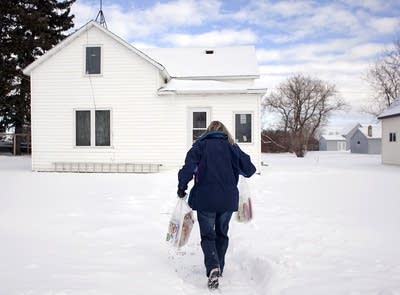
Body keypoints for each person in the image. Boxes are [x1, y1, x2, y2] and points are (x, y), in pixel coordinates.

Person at [177, 120, 256, 290]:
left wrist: (182, 187)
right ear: (224, 132)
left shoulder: (200, 146)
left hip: (205, 199)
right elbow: (249, 169)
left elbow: (188, 169)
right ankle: (218, 266)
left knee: (208, 235)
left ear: (208, 131)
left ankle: (213, 266)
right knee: (222, 233)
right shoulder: (232, 147)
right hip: (227, 200)